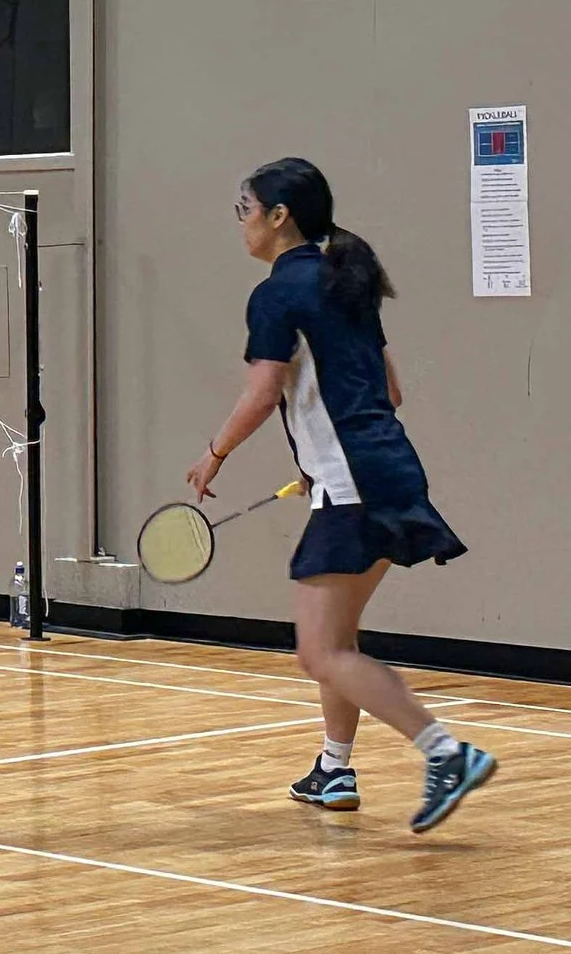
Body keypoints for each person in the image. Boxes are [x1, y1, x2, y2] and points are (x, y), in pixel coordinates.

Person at [189, 157, 489, 833]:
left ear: (279, 216)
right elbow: (389, 392)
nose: (240, 222)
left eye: (246, 208)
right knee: (341, 637)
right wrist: (322, 460)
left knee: (318, 650)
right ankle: (334, 767)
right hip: (389, 471)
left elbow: (263, 392)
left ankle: (447, 752)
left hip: (353, 483)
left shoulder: (276, 293)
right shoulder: (347, 281)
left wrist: (213, 455)